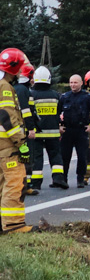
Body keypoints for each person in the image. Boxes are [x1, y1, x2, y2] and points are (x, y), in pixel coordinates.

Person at [0, 48, 35, 234]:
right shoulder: (5, 86)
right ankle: (14, 225)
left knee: (2, 186)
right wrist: (21, 143)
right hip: (8, 146)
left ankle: (2, 223)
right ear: (13, 68)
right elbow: (7, 117)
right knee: (15, 184)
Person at [59, 74, 90, 189]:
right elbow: (56, 113)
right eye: (71, 82)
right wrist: (59, 125)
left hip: (81, 130)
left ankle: (80, 179)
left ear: (81, 83)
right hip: (67, 131)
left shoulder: (87, 97)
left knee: (82, 156)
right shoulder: (64, 97)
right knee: (65, 156)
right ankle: (64, 179)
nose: (73, 85)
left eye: (75, 82)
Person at [30, 66, 67, 189]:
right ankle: (58, 179)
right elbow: (61, 113)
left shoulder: (32, 95)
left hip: (37, 133)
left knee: (37, 158)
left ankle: (36, 184)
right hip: (53, 133)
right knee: (56, 155)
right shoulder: (56, 95)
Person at [14, 63, 38, 197]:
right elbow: (27, 112)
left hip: (15, 129)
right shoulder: (24, 90)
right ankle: (26, 186)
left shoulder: (13, 88)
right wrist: (31, 129)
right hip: (23, 130)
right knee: (27, 156)